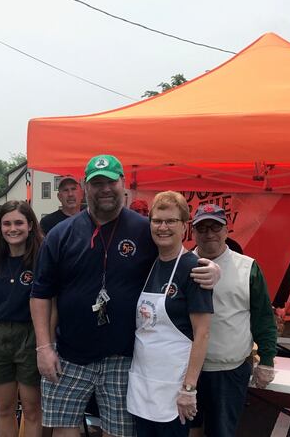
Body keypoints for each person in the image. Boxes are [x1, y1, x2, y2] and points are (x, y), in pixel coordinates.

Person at [30, 155, 220, 437]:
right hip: (69, 354)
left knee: (118, 434)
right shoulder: (61, 234)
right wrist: (44, 348)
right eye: (97, 183)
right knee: (64, 432)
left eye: (111, 182)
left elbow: (175, 258)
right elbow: (40, 294)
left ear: (123, 185)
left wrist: (212, 267)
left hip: (122, 358)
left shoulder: (145, 230)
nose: (105, 188)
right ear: (85, 186)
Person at [126, 191, 213, 437]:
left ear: (184, 226)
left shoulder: (194, 269)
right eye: (157, 221)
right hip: (143, 384)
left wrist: (189, 389)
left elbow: (203, 334)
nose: (163, 227)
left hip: (174, 389)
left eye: (171, 221)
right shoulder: (148, 263)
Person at [189, 204, 277, 437]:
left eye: (215, 227)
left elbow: (263, 319)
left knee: (221, 432)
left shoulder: (247, 268)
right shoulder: (181, 265)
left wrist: (267, 360)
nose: (209, 234)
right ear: (193, 232)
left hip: (228, 371)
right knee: (188, 430)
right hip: (186, 369)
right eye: (202, 228)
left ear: (226, 230)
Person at [0, 200, 44, 437]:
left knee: (32, 409)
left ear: (30, 225)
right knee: (4, 408)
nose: (12, 228)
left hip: (32, 336)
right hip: (0, 338)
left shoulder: (42, 260)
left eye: (18, 222)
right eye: (6, 223)